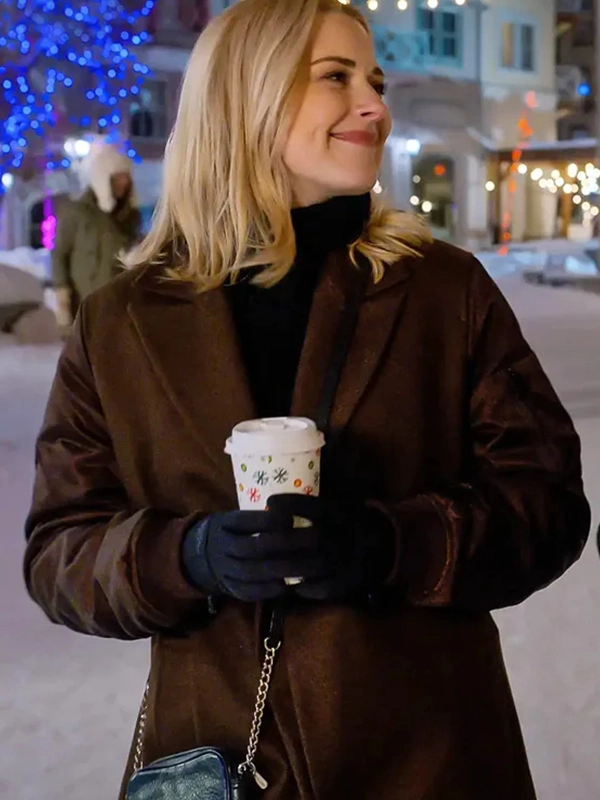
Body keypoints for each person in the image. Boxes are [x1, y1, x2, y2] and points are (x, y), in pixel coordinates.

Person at [24, 2, 590, 798]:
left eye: (376, 81)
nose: (377, 107)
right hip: (218, 756)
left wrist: (389, 546)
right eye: (336, 77)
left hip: (432, 756)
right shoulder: (121, 323)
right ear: (246, 97)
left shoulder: (443, 292)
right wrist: (190, 556)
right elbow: (59, 553)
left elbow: (548, 503)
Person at [51, 143, 141, 332]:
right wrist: (62, 296)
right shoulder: (78, 213)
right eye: (118, 177)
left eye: (126, 177)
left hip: (118, 305)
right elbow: (60, 254)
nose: (123, 182)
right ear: (104, 178)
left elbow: (134, 255)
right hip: (84, 306)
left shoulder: (129, 217)